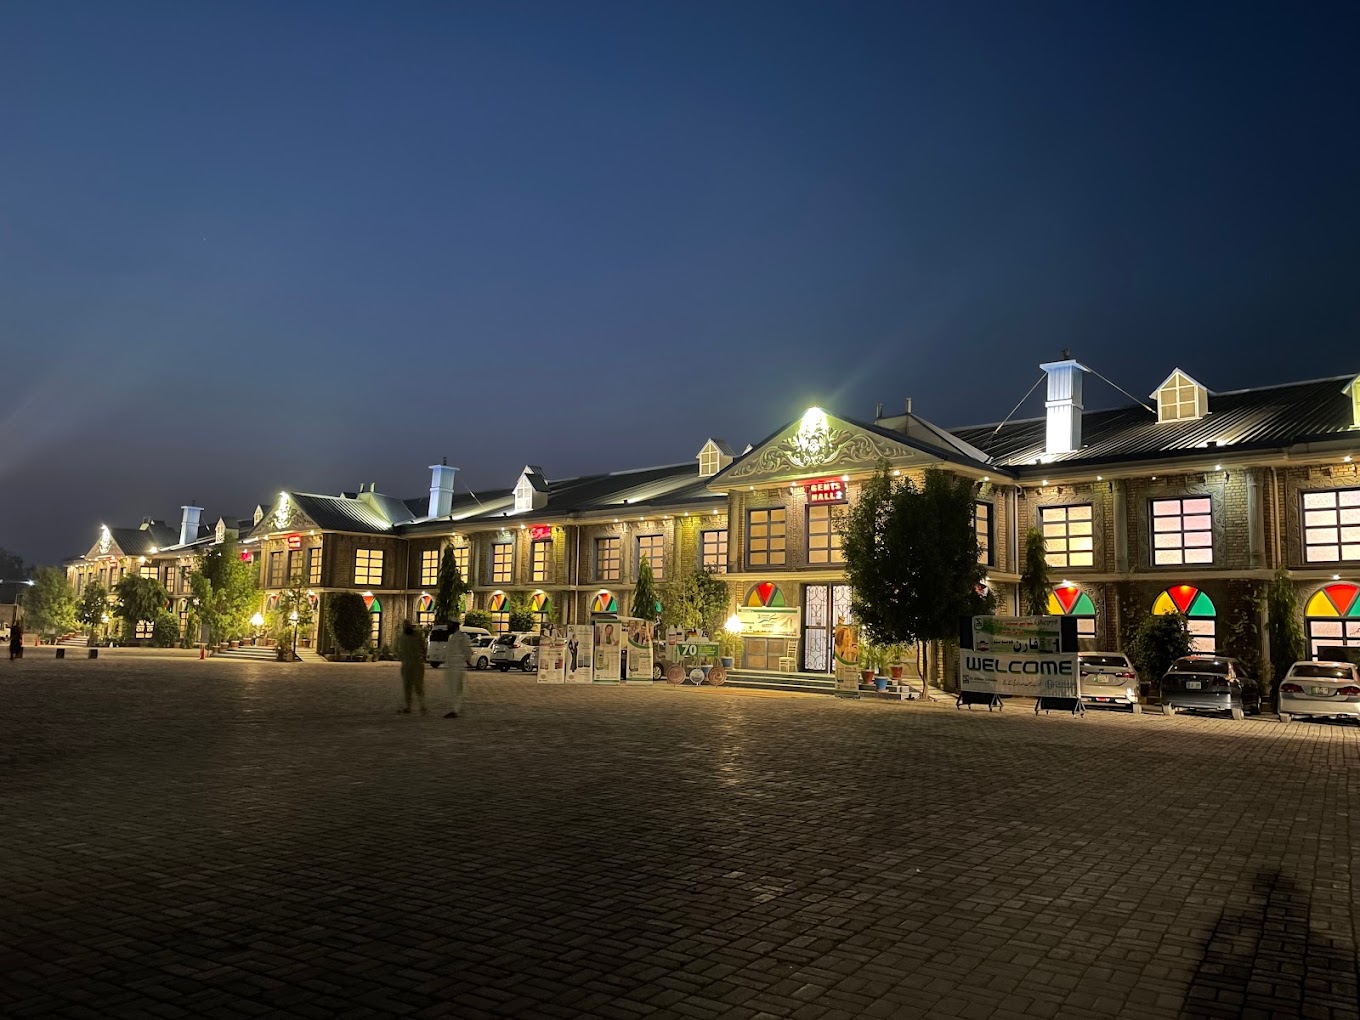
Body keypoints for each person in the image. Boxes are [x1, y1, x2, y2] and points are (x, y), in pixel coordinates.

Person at [443, 621, 472, 718]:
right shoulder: (453, 637)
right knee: (453, 688)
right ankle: (454, 709)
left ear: (454, 626)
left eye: (449, 626)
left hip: (458, 667)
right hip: (453, 666)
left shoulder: (461, 637)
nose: (448, 628)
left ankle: (455, 710)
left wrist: (468, 659)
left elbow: (467, 650)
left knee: (457, 688)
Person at [396, 620, 426, 715]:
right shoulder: (402, 637)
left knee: (418, 686)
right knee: (407, 686)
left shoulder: (416, 636)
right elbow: (396, 649)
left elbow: (423, 648)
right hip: (407, 665)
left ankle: (422, 706)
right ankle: (409, 706)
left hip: (416, 664)